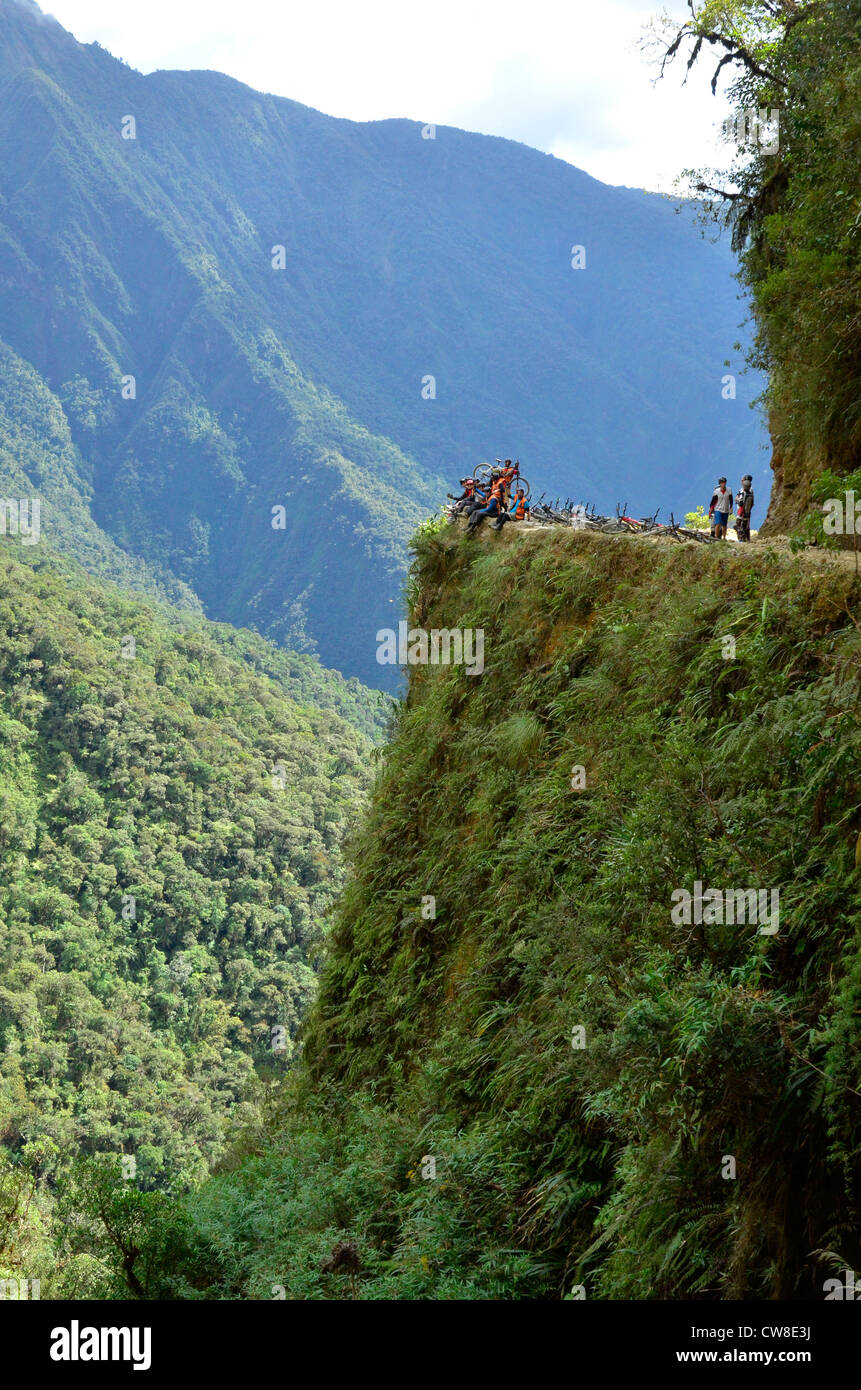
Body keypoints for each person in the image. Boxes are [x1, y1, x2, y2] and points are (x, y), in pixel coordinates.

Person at [735, 475, 754, 541]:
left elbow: (740, 501)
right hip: (747, 512)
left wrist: (737, 499)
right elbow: (752, 503)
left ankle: (741, 539)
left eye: (742, 480)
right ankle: (746, 539)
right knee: (745, 525)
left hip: (741, 511)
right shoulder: (750, 491)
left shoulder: (744, 491)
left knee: (738, 524)